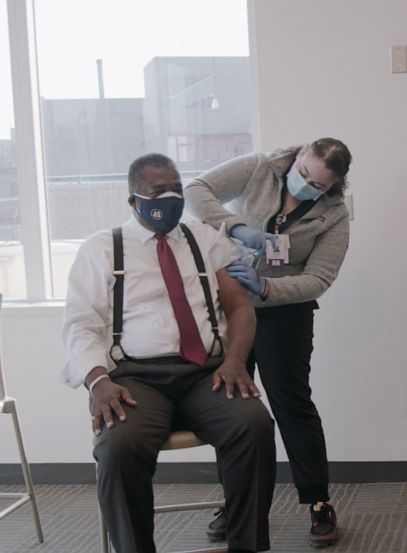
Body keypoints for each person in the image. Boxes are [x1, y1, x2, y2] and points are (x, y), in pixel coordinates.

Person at [60, 153, 276, 553]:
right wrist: (97, 381)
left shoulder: (206, 239)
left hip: (205, 374)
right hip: (135, 379)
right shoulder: (102, 249)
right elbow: (80, 323)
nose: (171, 199)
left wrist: (235, 362)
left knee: (254, 425)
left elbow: (240, 307)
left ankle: (247, 544)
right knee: (118, 448)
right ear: (133, 200)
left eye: (177, 190)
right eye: (158, 192)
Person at [184, 138, 352, 548]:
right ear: (297, 158)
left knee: (291, 405)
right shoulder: (261, 167)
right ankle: (234, 502)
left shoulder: (334, 216)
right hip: (233, 308)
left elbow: (320, 279)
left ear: (333, 187)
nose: (306, 184)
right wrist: (236, 227)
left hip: (284, 315)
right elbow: (195, 190)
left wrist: (267, 288)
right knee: (232, 407)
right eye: (304, 173)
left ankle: (317, 502)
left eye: (317, 185)